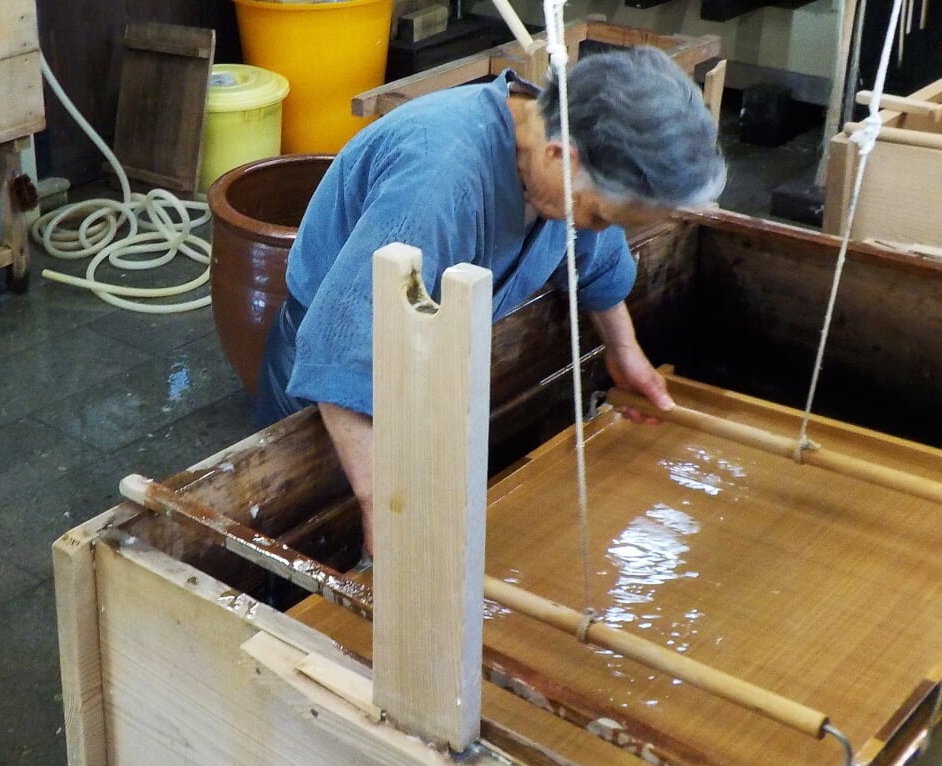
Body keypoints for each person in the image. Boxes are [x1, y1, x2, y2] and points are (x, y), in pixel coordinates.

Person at [256, 45, 727, 552]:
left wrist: (624, 348)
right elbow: (341, 343)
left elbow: (591, 249)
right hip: (332, 378)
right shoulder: (438, 183)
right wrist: (379, 503)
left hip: (423, 363)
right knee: (327, 546)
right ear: (561, 158)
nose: (596, 225)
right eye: (601, 215)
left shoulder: (560, 163)